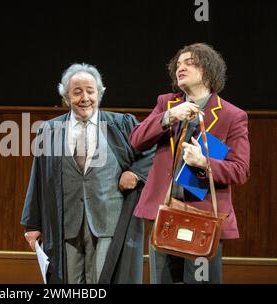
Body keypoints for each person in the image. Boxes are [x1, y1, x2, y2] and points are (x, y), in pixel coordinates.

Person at [21, 63, 155, 284]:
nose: (85, 98)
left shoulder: (122, 124)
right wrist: (32, 224)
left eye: (90, 91)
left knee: (103, 280)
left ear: (99, 94)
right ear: (66, 97)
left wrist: (135, 173)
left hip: (108, 221)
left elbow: (152, 153)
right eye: (77, 92)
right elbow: (39, 178)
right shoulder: (50, 130)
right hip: (66, 223)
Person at [129, 43, 250, 284]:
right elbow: (136, 140)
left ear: (208, 70)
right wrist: (169, 116)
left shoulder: (231, 115)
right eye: (178, 64)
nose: (180, 67)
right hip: (164, 215)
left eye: (189, 62)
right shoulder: (166, 103)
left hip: (202, 216)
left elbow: (240, 170)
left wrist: (205, 162)